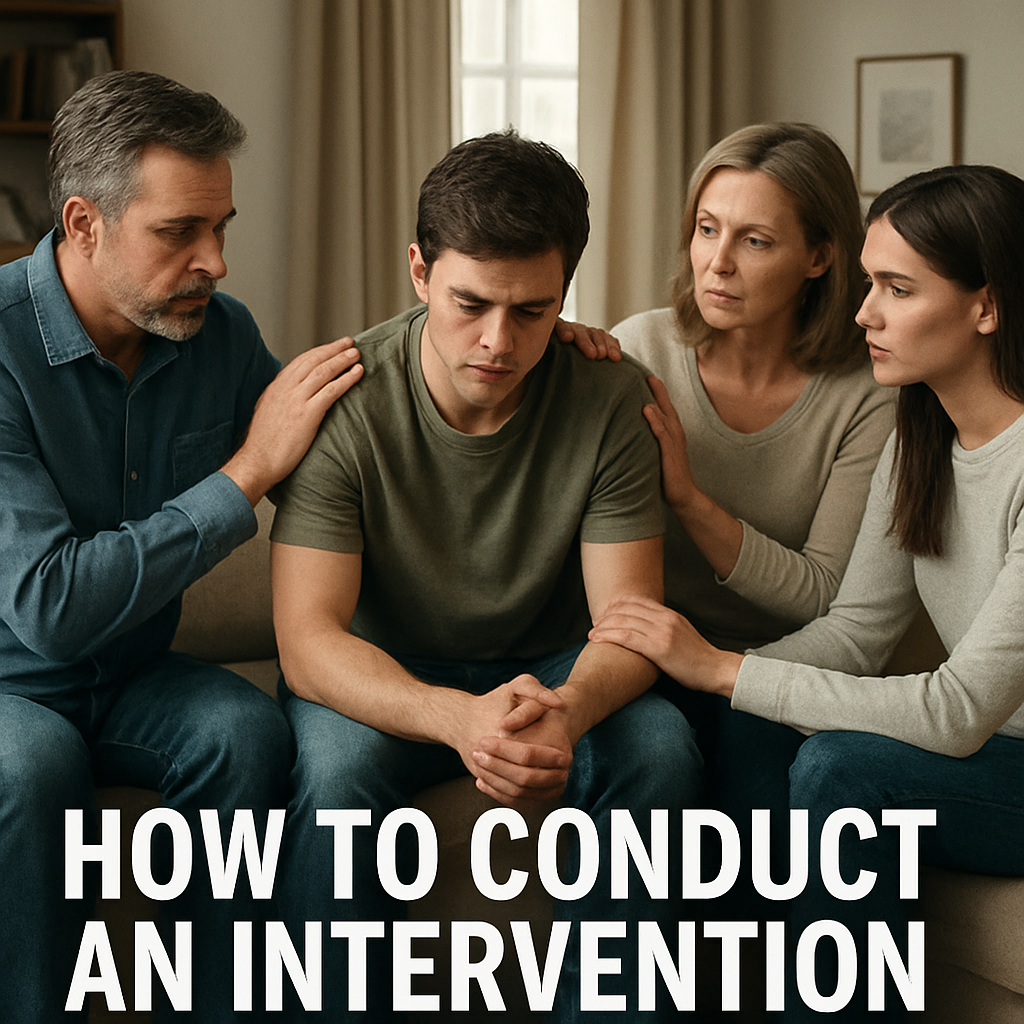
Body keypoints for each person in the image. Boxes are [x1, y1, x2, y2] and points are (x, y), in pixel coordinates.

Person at [270, 129, 701, 1021]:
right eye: (470, 304)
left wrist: (569, 710)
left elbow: (631, 619)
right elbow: (311, 644)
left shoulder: (611, 397)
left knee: (659, 749)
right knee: (335, 773)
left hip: (547, 669)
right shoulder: (342, 399)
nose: (498, 341)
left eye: (533, 311)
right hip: (377, 672)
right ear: (420, 271)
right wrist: (458, 721)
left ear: (565, 295)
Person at [590, 164, 1024, 1020]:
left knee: (840, 766)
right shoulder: (922, 436)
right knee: (749, 723)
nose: (865, 313)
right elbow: (857, 631)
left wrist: (721, 669)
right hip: (992, 754)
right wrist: (705, 687)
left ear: (987, 305)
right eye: (870, 284)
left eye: (898, 289)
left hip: (998, 749)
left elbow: (962, 707)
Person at [0, 71, 364, 1022]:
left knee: (242, 729)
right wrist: (244, 476)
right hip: (10, 683)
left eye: (222, 227)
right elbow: (49, 604)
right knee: (30, 767)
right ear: (84, 223)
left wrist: (504, 340)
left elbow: (348, 447)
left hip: (132, 675)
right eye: (178, 233)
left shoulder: (220, 334)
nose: (216, 261)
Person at [608, 123, 895, 896]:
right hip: (642, 657)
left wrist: (689, 500)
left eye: (755, 240)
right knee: (651, 754)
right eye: (707, 229)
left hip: (779, 674)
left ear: (820, 256)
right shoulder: (639, 351)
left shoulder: (867, 396)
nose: (717, 262)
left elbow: (823, 593)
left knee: (761, 757)